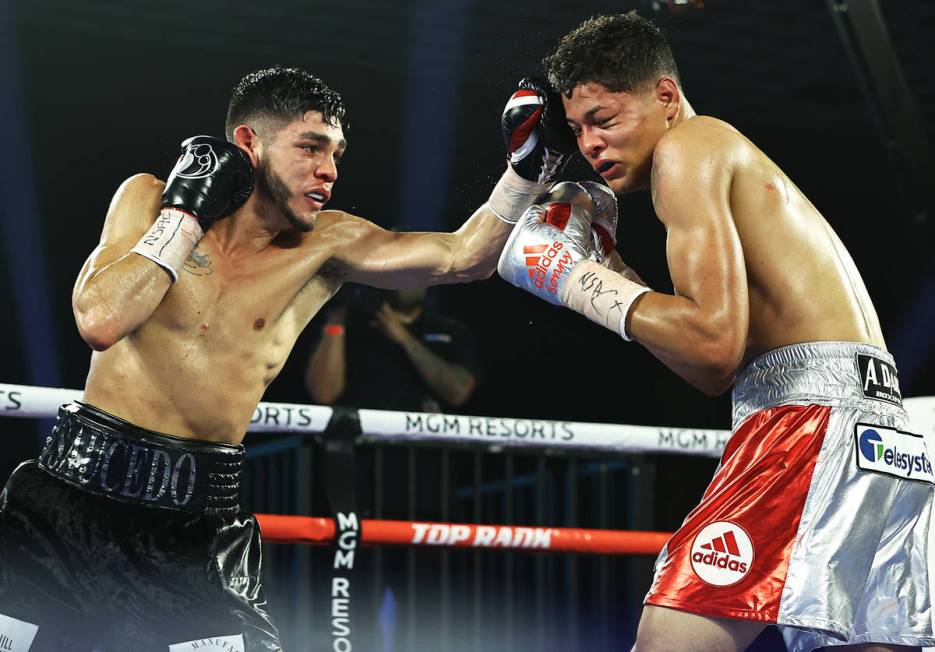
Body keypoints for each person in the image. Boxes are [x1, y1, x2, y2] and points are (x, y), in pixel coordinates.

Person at [0, 65, 575, 651]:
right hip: (66, 505)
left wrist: (526, 168)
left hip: (195, 524)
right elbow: (101, 319)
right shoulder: (148, 198)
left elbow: (462, 258)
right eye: (310, 147)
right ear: (247, 143)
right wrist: (187, 215)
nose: (328, 170)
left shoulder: (326, 244)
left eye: (336, 153)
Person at [496, 13, 934, 652]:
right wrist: (611, 273)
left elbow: (711, 343)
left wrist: (570, 279)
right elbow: (713, 370)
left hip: (809, 426)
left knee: (668, 642)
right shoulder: (728, 155)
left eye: (605, 119)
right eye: (580, 128)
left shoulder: (691, 147)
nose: (590, 144)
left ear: (666, 98)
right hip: (882, 433)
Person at [306, 286, 481, 413]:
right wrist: (337, 319)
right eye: (402, 269)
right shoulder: (351, 326)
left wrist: (403, 338)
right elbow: (323, 394)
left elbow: (458, 392)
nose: (409, 279)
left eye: (419, 271)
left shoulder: (448, 330)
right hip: (362, 454)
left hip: (424, 457)